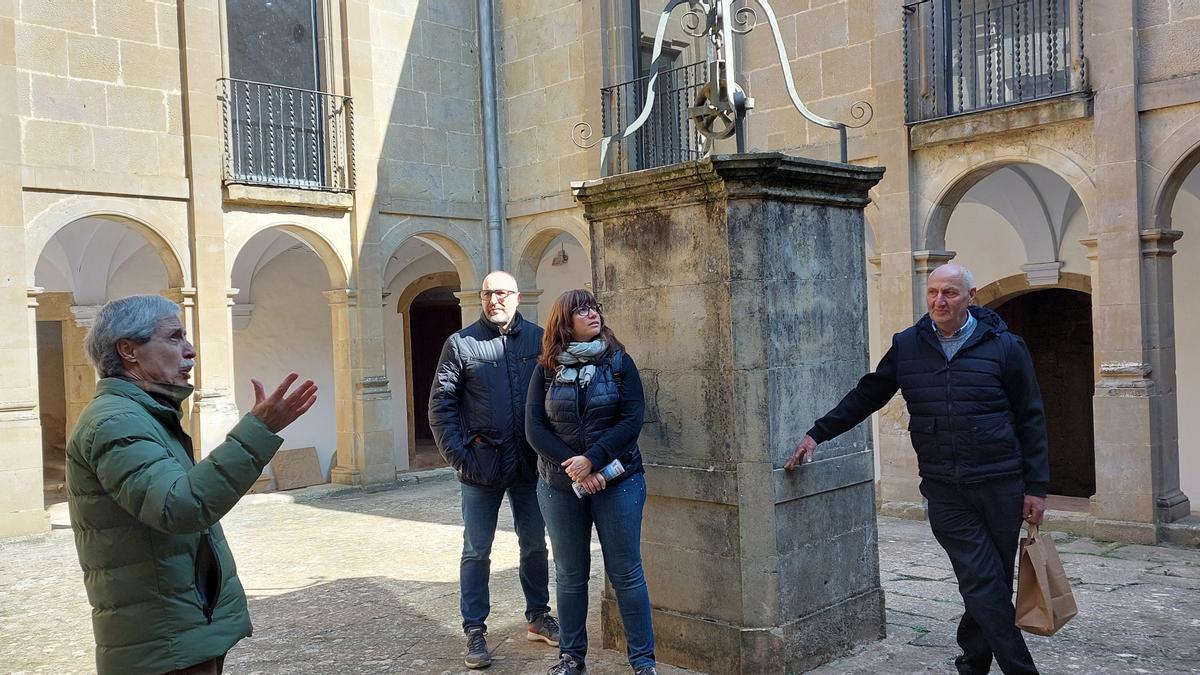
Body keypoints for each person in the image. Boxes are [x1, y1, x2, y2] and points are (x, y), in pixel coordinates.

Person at [786, 263, 1049, 675]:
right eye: (932, 293)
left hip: (1001, 483)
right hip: (944, 487)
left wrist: (1036, 487)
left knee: (991, 581)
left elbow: (1031, 417)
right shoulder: (908, 345)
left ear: (971, 296)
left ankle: (974, 660)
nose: (939, 302)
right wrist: (817, 434)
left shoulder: (1006, 346)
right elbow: (868, 394)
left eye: (950, 293)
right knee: (982, 580)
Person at [66, 295, 318, 675]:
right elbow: (178, 506)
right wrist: (258, 431)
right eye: (174, 337)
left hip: (178, 626)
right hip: (164, 638)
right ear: (128, 350)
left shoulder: (143, 414)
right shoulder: (116, 422)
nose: (191, 351)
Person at [428, 270, 558, 669]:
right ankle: (474, 630)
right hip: (480, 466)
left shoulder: (540, 340)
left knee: (535, 544)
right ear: (480, 299)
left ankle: (538, 615)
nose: (494, 300)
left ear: (517, 297)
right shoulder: (461, 343)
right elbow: (441, 406)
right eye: (487, 294)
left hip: (530, 465)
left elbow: (557, 397)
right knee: (476, 550)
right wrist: (460, 457)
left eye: (502, 293)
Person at [525, 289, 658, 675]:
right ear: (564, 322)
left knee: (626, 571)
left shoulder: (619, 361)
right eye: (581, 310)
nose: (591, 314)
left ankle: (643, 662)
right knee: (570, 573)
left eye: (594, 308)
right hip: (559, 484)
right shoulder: (546, 368)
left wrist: (593, 461)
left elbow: (632, 420)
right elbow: (534, 428)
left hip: (619, 480)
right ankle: (571, 658)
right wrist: (574, 467)